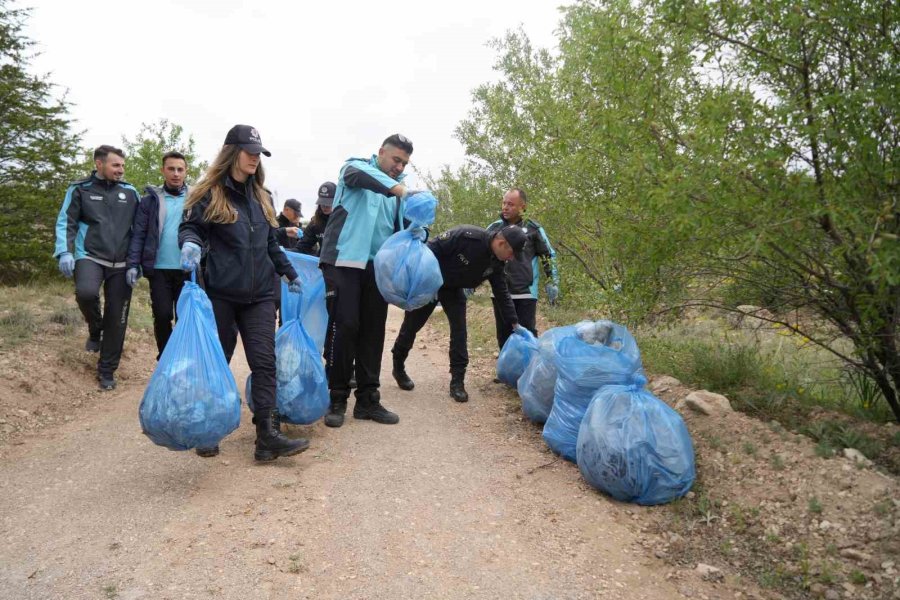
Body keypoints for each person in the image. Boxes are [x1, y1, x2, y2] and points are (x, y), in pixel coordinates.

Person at [178, 124, 307, 462]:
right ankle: (209, 428)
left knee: (265, 363)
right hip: (221, 293)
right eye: (249, 152)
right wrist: (190, 242)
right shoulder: (210, 192)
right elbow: (191, 226)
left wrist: (289, 272)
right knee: (217, 361)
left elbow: (270, 243)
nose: (255, 158)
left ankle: (267, 436)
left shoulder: (261, 198)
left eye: (258, 153)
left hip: (261, 295)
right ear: (232, 152)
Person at [318, 134, 413, 428]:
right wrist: (399, 189)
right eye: (395, 159)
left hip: (376, 268)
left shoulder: (398, 195)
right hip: (343, 261)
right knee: (346, 326)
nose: (398, 166)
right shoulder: (354, 169)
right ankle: (337, 398)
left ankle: (368, 400)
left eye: (404, 163)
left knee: (373, 330)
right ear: (381, 152)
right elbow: (368, 177)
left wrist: (419, 226)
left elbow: (404, 227)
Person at [390, 225, 525, 402]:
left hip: (453, 290)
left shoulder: (497, 262)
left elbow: (502, 293)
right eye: (512, 253)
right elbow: (427, 252)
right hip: (430, 284)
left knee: (460, 332)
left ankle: (457, 381)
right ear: (501, 243)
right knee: (411, 326)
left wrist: (514, 322)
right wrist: (425, 282)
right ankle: (398, 365)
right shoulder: (466, 236)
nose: (512, 258)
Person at [54, 145, 141, 391]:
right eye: (116, 165)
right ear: (99, 164)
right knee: (86, 293)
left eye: (122, 165)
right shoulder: (80, 189)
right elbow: (66, 221)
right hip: (89, 256)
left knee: (118, 317)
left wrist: (138, 263)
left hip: (123, 264)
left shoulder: (130, 192)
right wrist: (64, 251)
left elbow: (142, 229)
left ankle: (106, 370)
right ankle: (95, 329)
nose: (121, 170)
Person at [126, 151, 191, 359]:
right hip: (159, 269)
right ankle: (165, 357)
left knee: (184, 318)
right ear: (163, 170)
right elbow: (139, 234)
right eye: (171, 169)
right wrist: (133, 264)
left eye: (180, 169)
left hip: (187, 270)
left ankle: (181, 357)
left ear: (185, 171)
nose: (175, 173)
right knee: (162, 316)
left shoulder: (197, 199)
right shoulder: (150, 200)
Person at [486, 187, 559, 349]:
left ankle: (530, 371)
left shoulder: (534, 228)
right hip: (499, 291)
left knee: (527, 334)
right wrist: (471, 280)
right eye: (504, 203)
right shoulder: (494, 228)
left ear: (522, 207)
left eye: (511, 204)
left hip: (526, 292)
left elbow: (549, 255)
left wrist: (552, 281)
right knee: (504, 335)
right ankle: (506, 373)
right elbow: (481, 255)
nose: (505, 207)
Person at [296, 181, 335, 257]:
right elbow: (302, 248)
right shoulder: (315, 223)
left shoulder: (346, 221)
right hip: (323, 264)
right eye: (322, 202)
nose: (324, 206)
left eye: (328, 203)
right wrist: (283, 252)